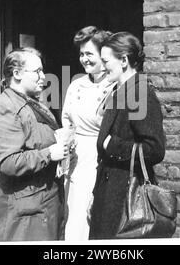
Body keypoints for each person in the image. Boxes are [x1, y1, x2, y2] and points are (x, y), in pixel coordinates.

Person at [89, 32, 166, 240]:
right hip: (109, 191)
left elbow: (155, 149)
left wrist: (113, 145)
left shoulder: (140, 93)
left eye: (105, 61)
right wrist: (96, 196)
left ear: (123, 60)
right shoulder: (119, 89)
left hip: (125, 195)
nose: (102, 67)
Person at [0, 47, 68, 241]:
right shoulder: (7, 108)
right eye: (37, 72)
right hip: (25, 211)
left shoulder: (31, 102)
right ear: (16, 74)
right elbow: (8, 162)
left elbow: (35, 139)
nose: (43, 77)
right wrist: (49, 154)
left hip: (41, 203)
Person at [61, 26, 114, 240]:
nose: (84, 59)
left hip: (100, 159)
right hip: (75, 159)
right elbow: (66, 119)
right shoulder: (76, 85)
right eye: (81, 54)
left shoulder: (115, 87)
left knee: (93, 219)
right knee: (73, 217)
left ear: (103, 55)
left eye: (89, 53)